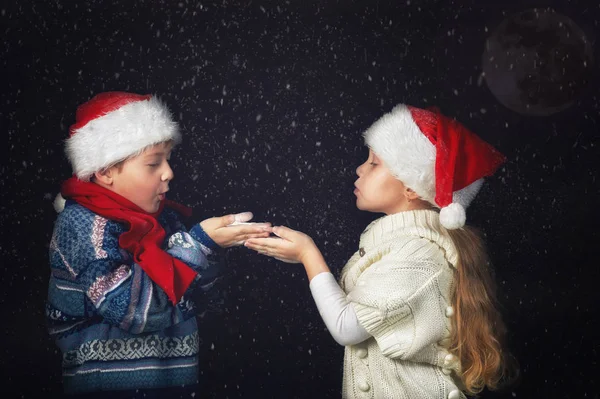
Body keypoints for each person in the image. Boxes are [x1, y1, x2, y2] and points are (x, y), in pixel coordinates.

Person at [244, 104, 515, 398]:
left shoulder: (417, 255)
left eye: (374, 164)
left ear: (412, 187)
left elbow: (346, 327)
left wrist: (308, 255)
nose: (360, 169)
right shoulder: (393, 244)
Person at [47, 92, 271, 398]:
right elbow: (132, 312)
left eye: (168, 159)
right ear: (105, 171)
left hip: (176, 386)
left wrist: (214, 247)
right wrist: (199, 244)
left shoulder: (165, 221)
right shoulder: (82, 225)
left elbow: (207, 304)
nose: (169, 172)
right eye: (153, 163)